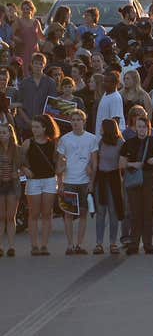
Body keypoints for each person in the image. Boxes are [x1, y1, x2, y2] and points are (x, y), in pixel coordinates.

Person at [57, 109, 98, 255]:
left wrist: (92, 181)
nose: (75, 122)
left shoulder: (91, 139)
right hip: (69, 181)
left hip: (84, 181)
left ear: (83, 121)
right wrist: (60, 182)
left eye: (78, 120)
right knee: (68, 214)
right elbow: (60, 162)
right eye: (73, 120)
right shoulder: (65, 139)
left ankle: (79, 244)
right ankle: (70, 245)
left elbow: (94, 162)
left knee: (83, 214)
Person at [121, 113, 153, 254]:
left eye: (144, 127)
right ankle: (134, 244)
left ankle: (148, 244)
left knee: (149, 211)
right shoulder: (129, 143)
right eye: (139, 127)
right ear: (135, 128)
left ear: (148, 128)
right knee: (135, 212)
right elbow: (121, 163)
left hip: (150, 177)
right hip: (134, 177)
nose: (142, 130)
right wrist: (133, 164)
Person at [20, 115, 59, 256]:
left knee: (47, 213)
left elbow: (57, 161)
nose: (34, 130)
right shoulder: (27, 143)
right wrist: (25, 169)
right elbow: (21, 161)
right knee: (34, 213)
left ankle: (44, 245)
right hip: (34, 181)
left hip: (49, 180)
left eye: (37, 127)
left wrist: (61, 170)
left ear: (45, 127)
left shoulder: (53, 143)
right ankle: (34, 245)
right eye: (33, 127)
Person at [93, 118, 125, 255]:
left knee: (113, 211)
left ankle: (113, 242)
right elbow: (95, 160)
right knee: (101, 212)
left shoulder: (120, 142)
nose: (100, 129)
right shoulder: (100, 142)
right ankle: (99, 243)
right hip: (101, 177)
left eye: (102, 127)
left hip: (114, 178)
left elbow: (123, 162)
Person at [0, 124, 19, 257]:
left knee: (10, 217)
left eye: (4, 132)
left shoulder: (17, 149)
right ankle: (0, 246)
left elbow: (24, 166)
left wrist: (17, 173)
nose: (2, 135)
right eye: (0, 133)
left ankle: (11, 246)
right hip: (1, 184)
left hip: (12, 185)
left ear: (10, 134)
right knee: (1, 217)